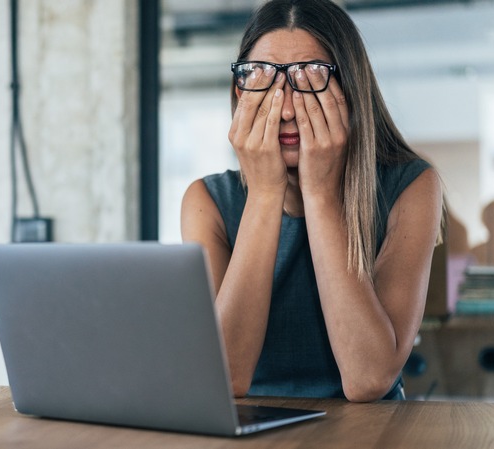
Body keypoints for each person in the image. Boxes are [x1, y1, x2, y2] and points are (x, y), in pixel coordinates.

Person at [180, 0, 443, 402]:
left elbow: (369, 378)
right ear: (240, 91)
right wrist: (266, 194)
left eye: (311, 76)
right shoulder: (207, 202)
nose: (285, 108)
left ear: (350, 91)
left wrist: (319, 193)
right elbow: (224, 378)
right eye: (263, 77)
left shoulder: (412, 186)